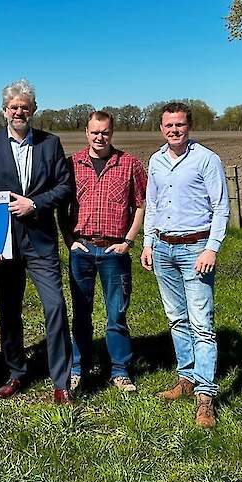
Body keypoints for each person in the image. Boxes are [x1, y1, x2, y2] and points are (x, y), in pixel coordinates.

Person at [0, 78, 76, 404]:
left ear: (33, 109)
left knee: (55, 306)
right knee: (9, 310)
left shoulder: (50, 143)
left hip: (41, 241)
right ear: (4, 110)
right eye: (13, 107)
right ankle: (16, 373)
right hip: (5, 243)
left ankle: (61, 381)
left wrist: (35, 203)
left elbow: (65, 187)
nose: (19, 111)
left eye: (24, 107)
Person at [140, 102, 229, 428]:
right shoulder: (156, 161)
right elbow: (152, 204)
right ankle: (186, 378)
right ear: (161, 128)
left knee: (201, 324)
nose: (174, 130)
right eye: (168, 125)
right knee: (177, 319)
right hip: (163, 248)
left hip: (196, 249)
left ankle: (205, 397)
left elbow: (221, 207)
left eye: (179, 125)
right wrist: (148, 243)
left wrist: (211, 249)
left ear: (188, 126)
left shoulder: (206, 159)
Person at [58, 110, 147, 394]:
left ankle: (120, 370)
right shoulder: (72, 164)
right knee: (80, 313)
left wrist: (128, 241)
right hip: (82, 248)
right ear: (86, 133)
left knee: (117, 313)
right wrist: (69, 240)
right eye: (95, 132)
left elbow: (141, 205)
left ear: (112, 133)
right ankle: (78, 368)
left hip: (114, 250)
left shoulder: (129, 164)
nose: (100, 137)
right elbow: (61, 208)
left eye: (105, 132)